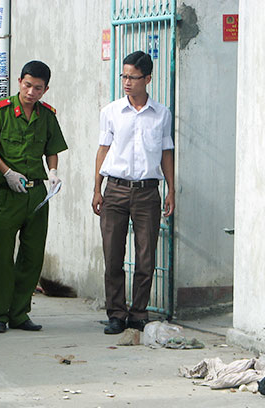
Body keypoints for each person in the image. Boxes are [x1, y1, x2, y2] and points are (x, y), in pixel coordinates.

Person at [92, 51, 175, 335]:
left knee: (146, 255)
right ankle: (116, 313)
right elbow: (102, 150)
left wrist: (171, 190)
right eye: (124, 76)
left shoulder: (161, 114)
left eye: (133, 77)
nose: (127, 82)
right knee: (113, 254)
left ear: (147, 79)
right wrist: (97, 188)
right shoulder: (111, 112)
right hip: (115, 189)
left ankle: (138, 312)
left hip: (147, 192)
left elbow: (166, 153)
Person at [0, 60, 68, 333]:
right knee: (2, 256)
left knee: (32, 257)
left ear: (45, 90)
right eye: (28, 85)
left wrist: (53, 171)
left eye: (38, 88)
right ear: (20, 81)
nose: (31, 92)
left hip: (36, 195)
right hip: (7, 193)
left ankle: (19, 314)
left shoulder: (47, 115)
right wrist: (7, 172)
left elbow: (52, 147)